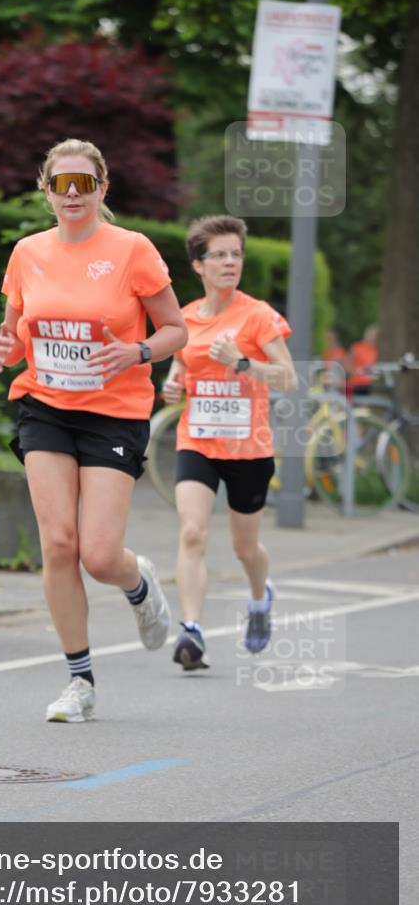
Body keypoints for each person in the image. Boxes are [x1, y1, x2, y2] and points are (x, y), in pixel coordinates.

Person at [0, 138, 187, 722]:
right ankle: (80, 682)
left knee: (99, 555)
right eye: (60, 184)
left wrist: (138, 351)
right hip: (45, 405)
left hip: (114, 412)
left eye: (83, 184)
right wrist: (6, 347)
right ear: (45, 188)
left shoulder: (132, 250)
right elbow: (15, 331)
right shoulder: (27, 252)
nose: (71, 195)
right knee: (59, 545)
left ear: (103, 188)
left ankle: (139, 583)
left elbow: (175, 328)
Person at [162, 215, 297, 670]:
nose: (229, 262)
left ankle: (260, 596)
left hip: (248, 448)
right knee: (192, 531)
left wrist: (242, 364)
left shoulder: (258, 316)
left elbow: (289, 378)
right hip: (197, 440)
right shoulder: (183, 317)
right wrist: (173, 384)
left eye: (235, 254)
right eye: (218, 255)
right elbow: (180, 366)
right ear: (198, 265)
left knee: (244, 549)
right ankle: (192, 630)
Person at [347, 323, 378, 398]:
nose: (373, 338)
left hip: (369, 385)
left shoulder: (376, 350)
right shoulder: (357, 347)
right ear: (366, 334)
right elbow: (347, 363)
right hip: (355, 384)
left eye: (375, 336)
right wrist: (355, 371)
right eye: (371, 335)